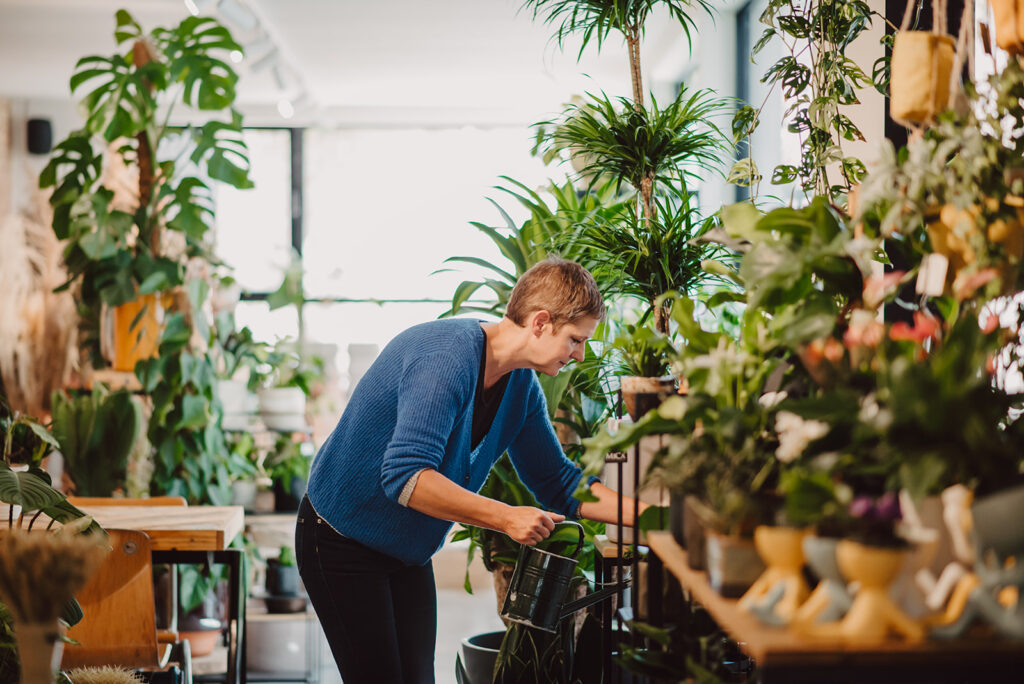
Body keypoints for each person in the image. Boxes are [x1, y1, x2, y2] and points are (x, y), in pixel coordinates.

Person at [295, 257, 645, 683]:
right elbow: (405, 477)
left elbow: (559, 482)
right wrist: (506, 516)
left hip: (406, 551)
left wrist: (653, 519)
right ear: (540, 323)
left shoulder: (520, 388)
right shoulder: (447, 356)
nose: (581, 353)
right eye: (575, 339)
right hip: (340, 539)